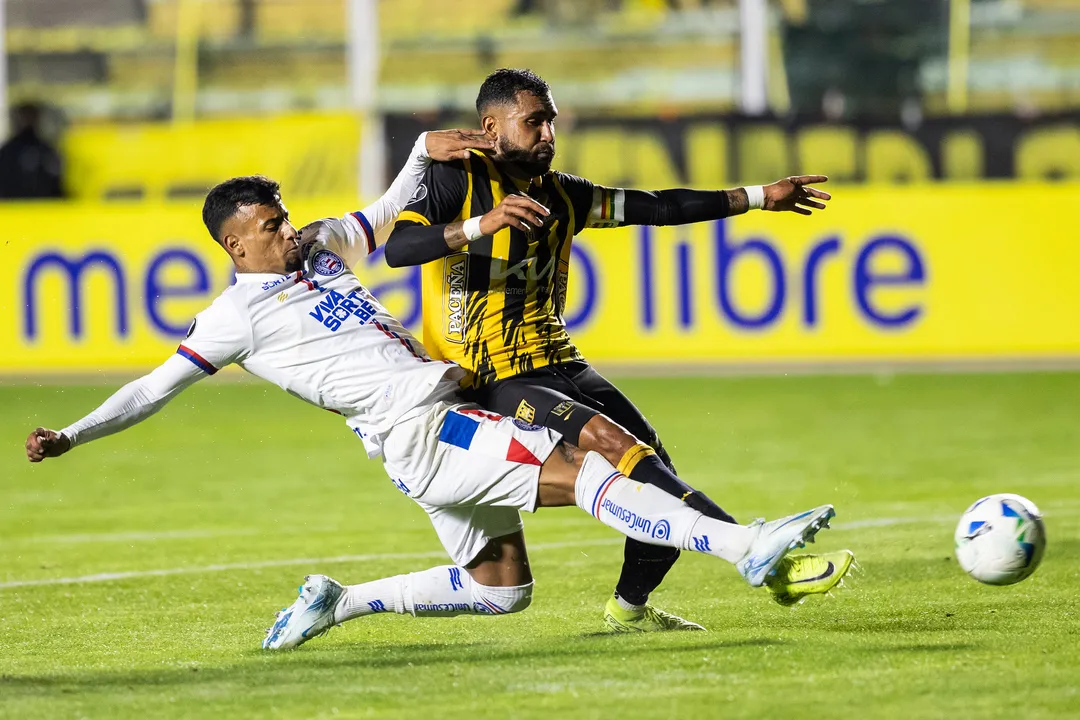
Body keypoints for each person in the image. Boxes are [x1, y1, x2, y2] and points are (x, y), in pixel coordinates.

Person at [24, 129, 849, 651]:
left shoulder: (318, 251)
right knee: (590, 474)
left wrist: (423, 148)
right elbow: (152, 388)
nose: (288, 228)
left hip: (422, 436)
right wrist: (70, 434)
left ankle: (342, 602)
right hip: (426, 428)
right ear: (236, 246)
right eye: (270, 226)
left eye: (284, 215)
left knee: (502, 592)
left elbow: (385, 215)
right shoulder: (233, 316)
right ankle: (747, 549)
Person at [384, 68, 839, 632]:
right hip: (491, 376)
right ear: (491, 126)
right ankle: (756, 552)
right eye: (534, 122)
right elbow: (399, 249)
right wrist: (483, 223)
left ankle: (629, 609)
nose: (548, 134)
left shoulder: (564, 194)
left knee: (656, 469)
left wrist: (757, 197)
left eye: (551, 121)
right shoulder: (459, 182)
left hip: (561, 360)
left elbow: (656, 206)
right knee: (613, 443)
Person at [0, 102, 64, 199]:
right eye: (24, 116)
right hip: (12, 209)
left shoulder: (47, 151)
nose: (27, 121)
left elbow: (56, 184)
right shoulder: (7, 151)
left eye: (31, 115)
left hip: (44, 209)